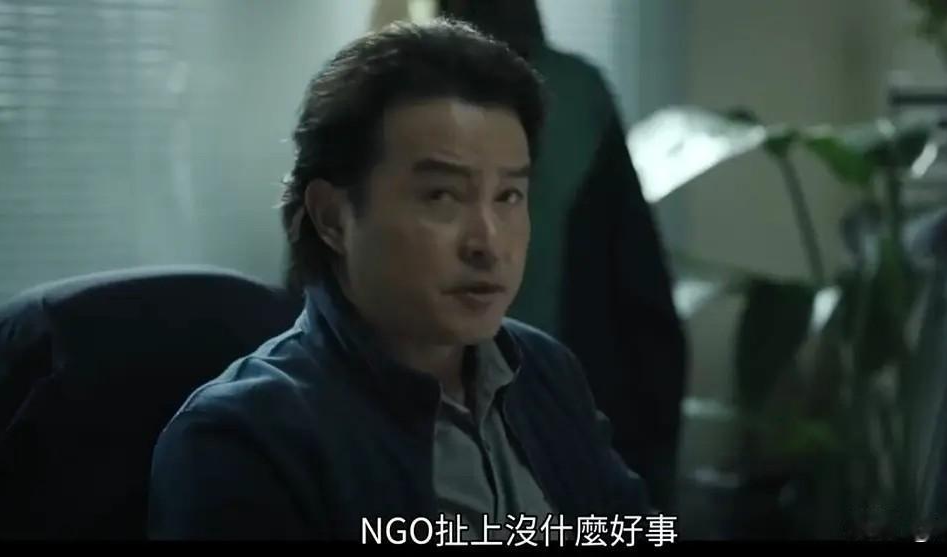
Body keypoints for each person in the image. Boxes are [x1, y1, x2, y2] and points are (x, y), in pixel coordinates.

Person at [147, 19, 650, 541]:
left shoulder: (543, 372)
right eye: (442, 196)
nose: (488, 242)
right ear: (333, 218)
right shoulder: (241, 441)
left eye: (509, 196)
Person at [437, 0, 688, 512]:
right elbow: (646, 306)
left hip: (539, 421)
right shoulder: (575, 95)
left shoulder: (410, 98)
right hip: (559, 424)